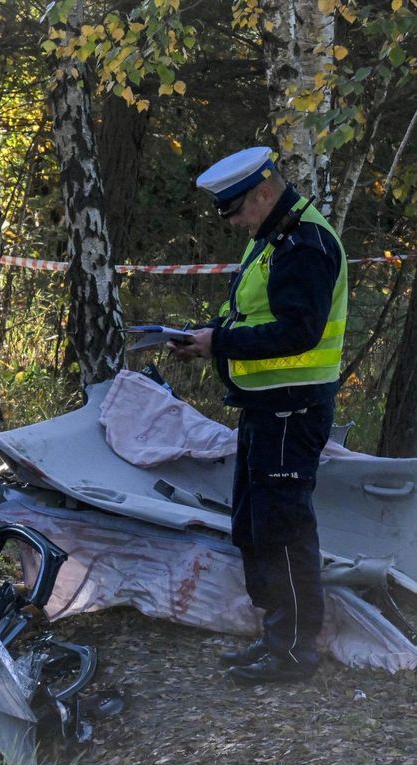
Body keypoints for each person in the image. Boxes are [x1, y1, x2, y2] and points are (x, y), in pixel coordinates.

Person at [169, 146, 348, 685]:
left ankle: (294, 652)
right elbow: (248, 312)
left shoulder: (305, 245)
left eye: (237, 211)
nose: (234, 223)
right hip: (265, 408)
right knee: (256, 527)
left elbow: (299, 331)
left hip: (293, 410)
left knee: (286, 531)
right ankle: (277, 636)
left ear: (264, 194)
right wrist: (203, 336)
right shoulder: (274, 238)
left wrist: (217, 342)